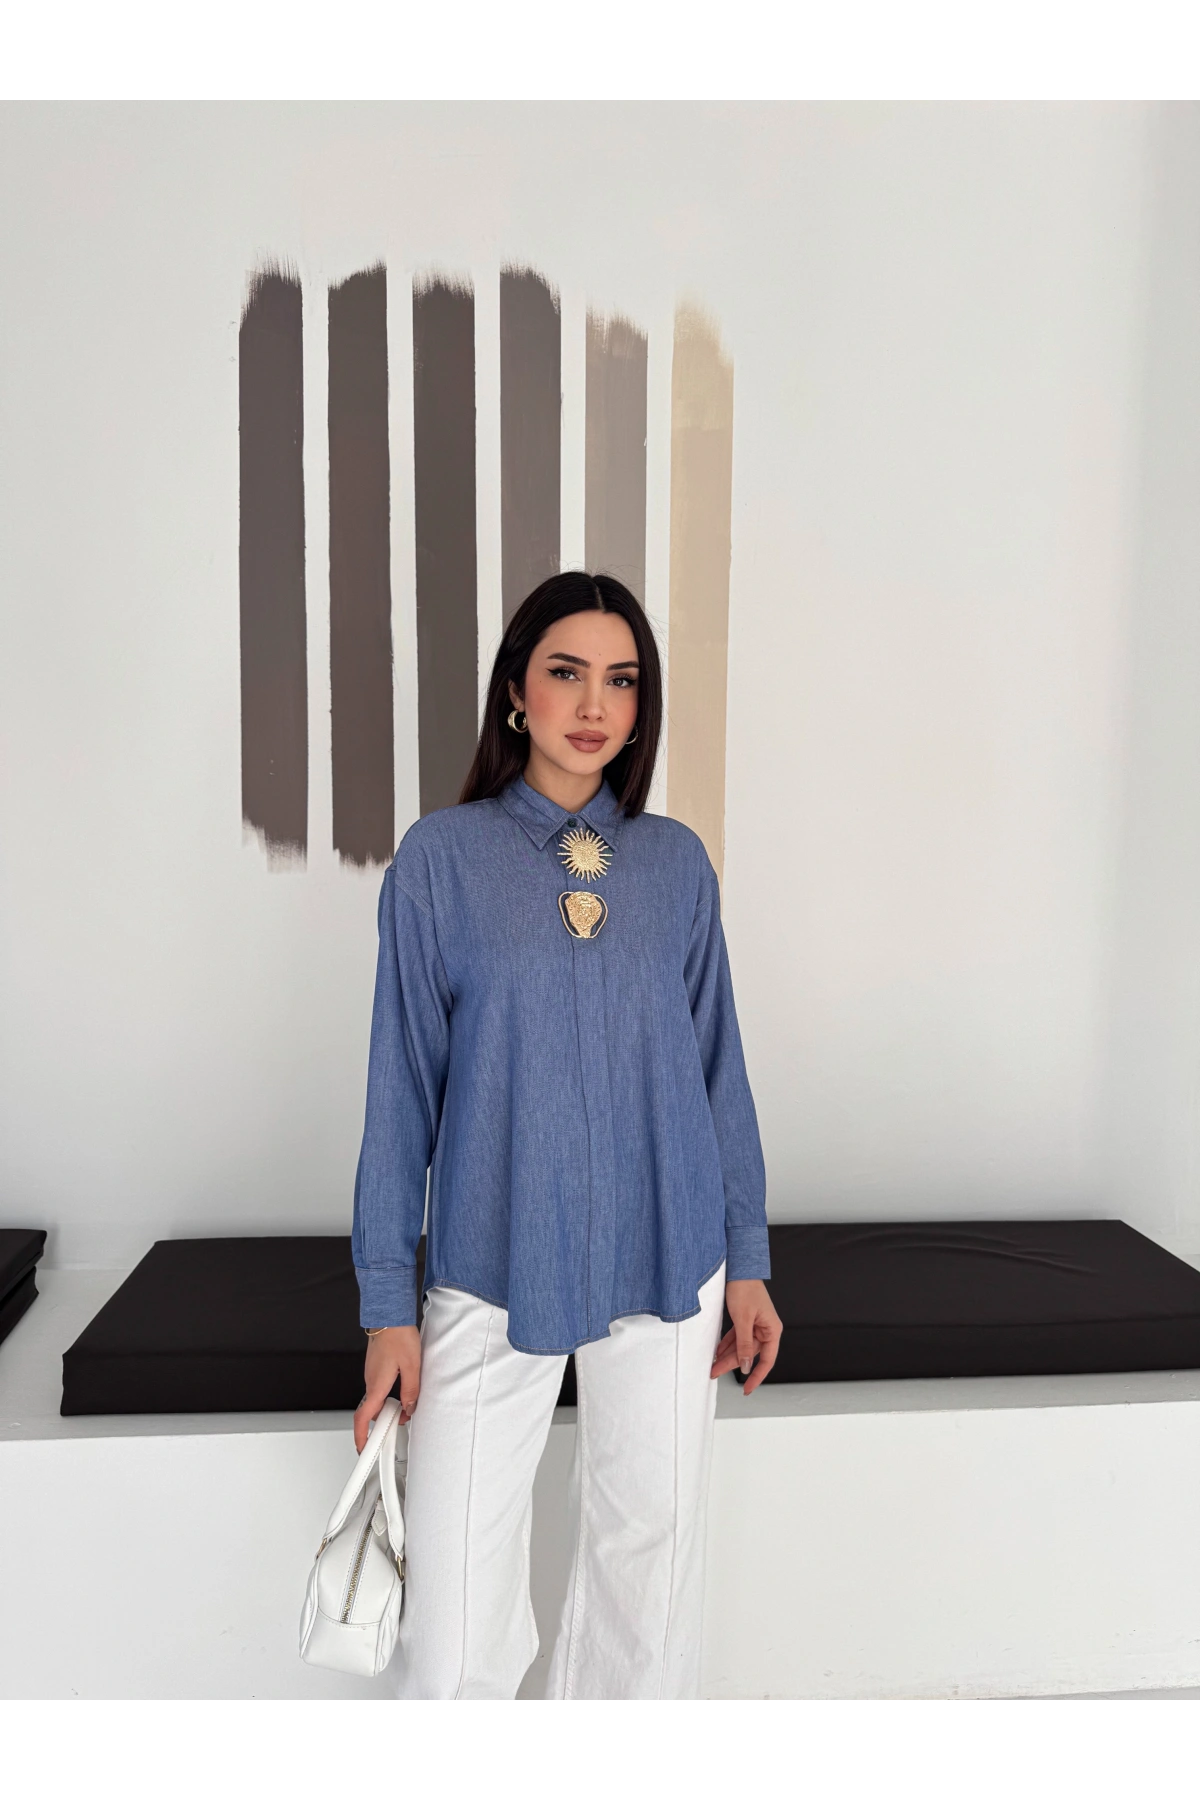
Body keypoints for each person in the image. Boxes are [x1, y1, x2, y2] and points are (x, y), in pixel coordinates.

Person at [351, 570, 782, 1703]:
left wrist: (748, 1259)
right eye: (567, 672)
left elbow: (717, 1070)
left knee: (651, 1584)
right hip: (493, 1260)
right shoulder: (441, 861)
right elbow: (400, 1091)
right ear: (515, 692)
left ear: (641, 708)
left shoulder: (676, 864)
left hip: (670, 1255)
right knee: (455, 1629)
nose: (595, 704)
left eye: (622, 681)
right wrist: (388, 1306)